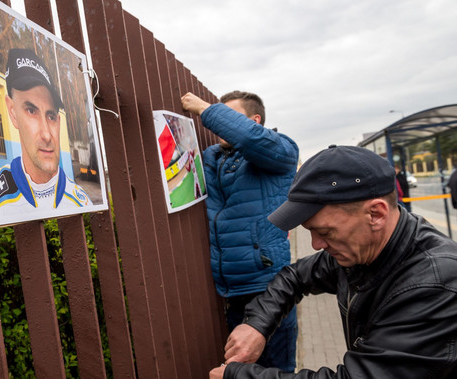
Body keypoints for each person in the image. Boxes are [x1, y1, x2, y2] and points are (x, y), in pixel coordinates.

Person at [210, 145, 457, 379]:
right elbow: (294, 277)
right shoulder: (364, 249)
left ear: (376, 214)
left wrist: (239, 374)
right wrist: (257, 325)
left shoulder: (435, 283)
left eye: (325, 232)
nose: (316, 245)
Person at [181, 91, 299, 372]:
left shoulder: (280, 150)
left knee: (276, 372)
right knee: (241, 371)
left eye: (229, 116)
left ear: (255, 120)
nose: (220, 126)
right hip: (232, 290)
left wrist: (204, 109)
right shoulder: (214, 156)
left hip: (268, 286)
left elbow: (250, 139)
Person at [0, 48, 92, 221]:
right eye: (31, 110)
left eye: (51, 116)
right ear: (12, 112)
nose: (47, 135)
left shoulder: (83, 203)